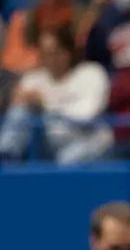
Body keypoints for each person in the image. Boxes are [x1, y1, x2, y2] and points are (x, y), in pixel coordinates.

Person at [0, 26, 111, 165]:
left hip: (85, 140)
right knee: (19, 113)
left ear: (66, 53)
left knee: (66, 160)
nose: (46, 59)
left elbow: (85, 116)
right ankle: (5, 157)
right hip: (49, 143)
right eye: (43, 53)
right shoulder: (34, 79)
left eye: (51, 52)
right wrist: (20, 100)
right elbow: (17, 112)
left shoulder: (92, 73)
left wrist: (45, 104)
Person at [1, 0, 83, 75]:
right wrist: (40, 61)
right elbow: (10, 60)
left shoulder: (83, 19)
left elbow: (79, 56)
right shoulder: (22, 19)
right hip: (28, 81)